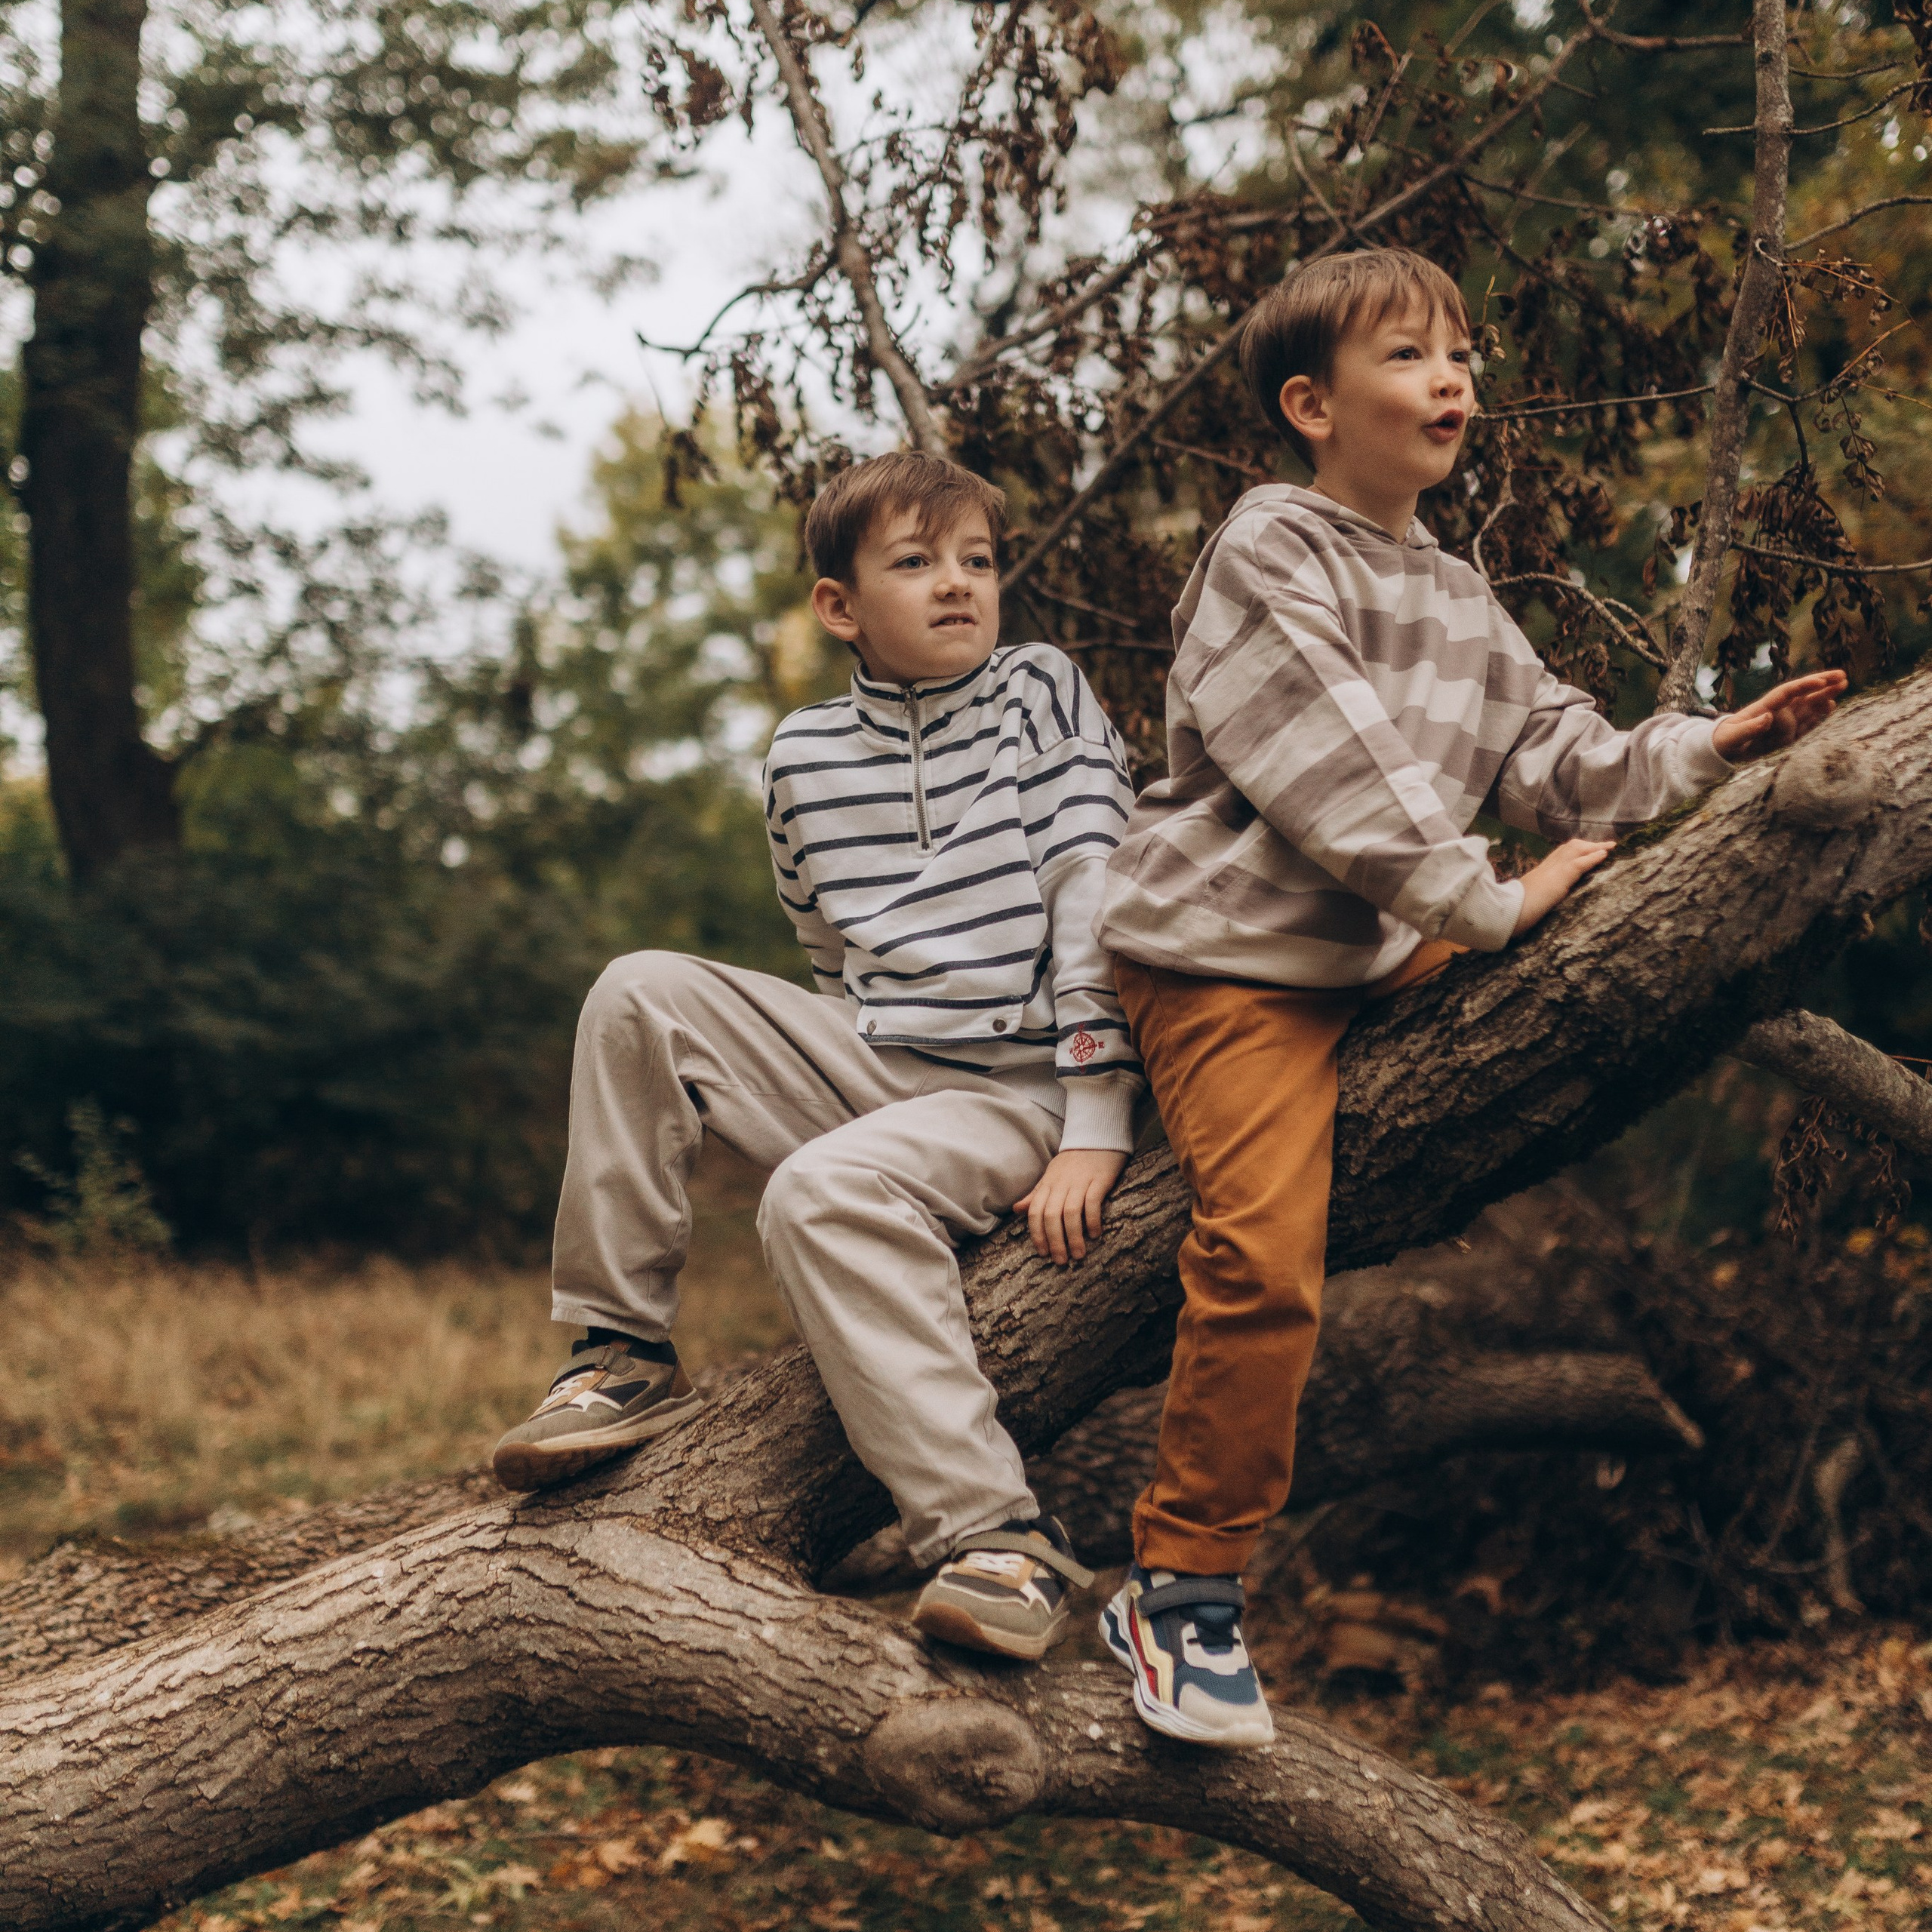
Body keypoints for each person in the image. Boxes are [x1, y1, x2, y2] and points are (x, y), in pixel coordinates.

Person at [1091, 246, 1847, 1748]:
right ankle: (1178, 1586)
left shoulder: (1447, 583)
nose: (1451, 380)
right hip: (1228, 957)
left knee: (1582, 1004)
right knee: (1259, 1252)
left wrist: (1706, 746)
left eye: (1460, 354)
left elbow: (1555, 752)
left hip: (1381, 945)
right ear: (1309, 403)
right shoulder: (1267, 547)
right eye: (1408, 356)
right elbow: (1343, 767)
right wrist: (1486, 903)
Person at [492, 449, 1145, 1662]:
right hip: (879, 1051)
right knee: (641, 991)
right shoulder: (799, 758)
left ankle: (1000, 1537)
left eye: (979, 562)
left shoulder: (1038, 691)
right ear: (839, 606)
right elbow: (826, 955)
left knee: (815, 1194)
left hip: (1022, 1084)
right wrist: (847, 1079)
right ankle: (619, 1349)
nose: (959, 585)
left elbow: (1093, 898)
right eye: (916, 563)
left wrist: (1098, 1121)